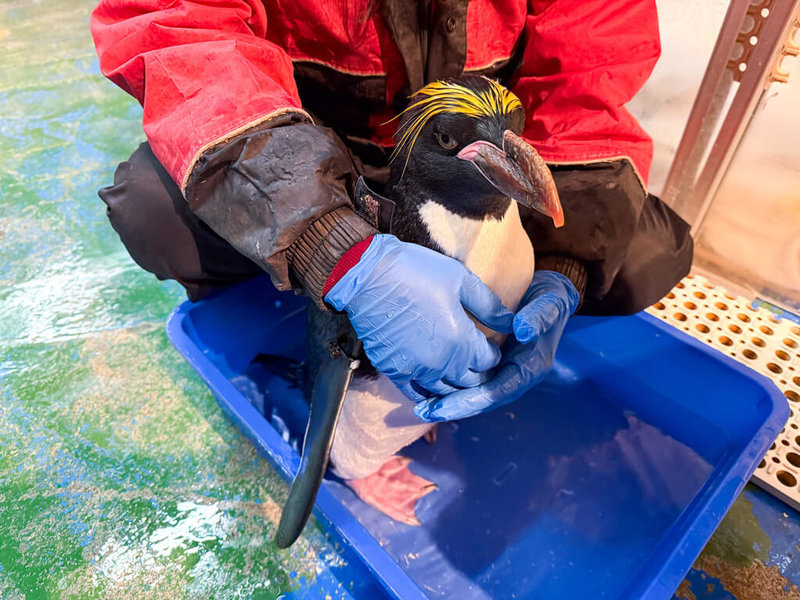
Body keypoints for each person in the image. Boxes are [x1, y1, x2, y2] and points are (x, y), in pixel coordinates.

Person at [90, 0, 693, 422]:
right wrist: (332, 245)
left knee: (644, 252)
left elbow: (589, 79)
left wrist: (565, 266)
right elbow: (183, 31)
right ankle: (307, 297)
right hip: (314, 150)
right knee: (155, 211)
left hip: (470, 169)